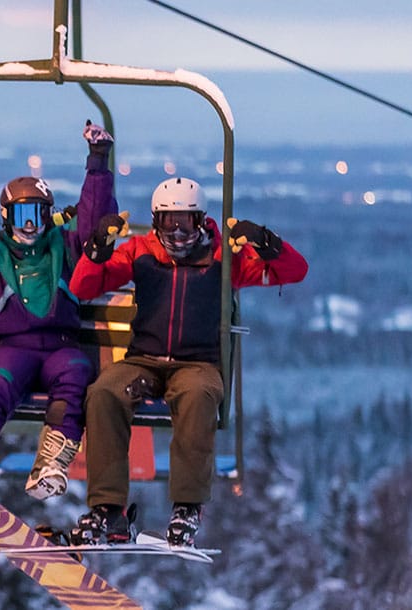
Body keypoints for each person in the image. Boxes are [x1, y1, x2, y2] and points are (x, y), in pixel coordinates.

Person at [68, 176, 309, 546]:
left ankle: (187, 506)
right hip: (144, 361)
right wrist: (98, 250)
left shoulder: (222, 257)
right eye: (168, 222)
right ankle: (107, 508)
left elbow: (294, 271)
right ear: (155, 221)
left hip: (197, 363)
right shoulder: (141, 251)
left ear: (200, 221)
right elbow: (84, 286)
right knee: (104, 393)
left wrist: (265, 242)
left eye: (184, 222)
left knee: (198, 397)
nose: (176, 232)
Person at [0, 124, 120, 501]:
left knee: (76, 375)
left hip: (61, 346)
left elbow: (93, 222)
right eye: (21, 217)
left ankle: (53, 456)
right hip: (12, 347)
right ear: (6, 217)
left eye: (37, 215)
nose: (31, 226)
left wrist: (98, 163)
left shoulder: (64, 247)